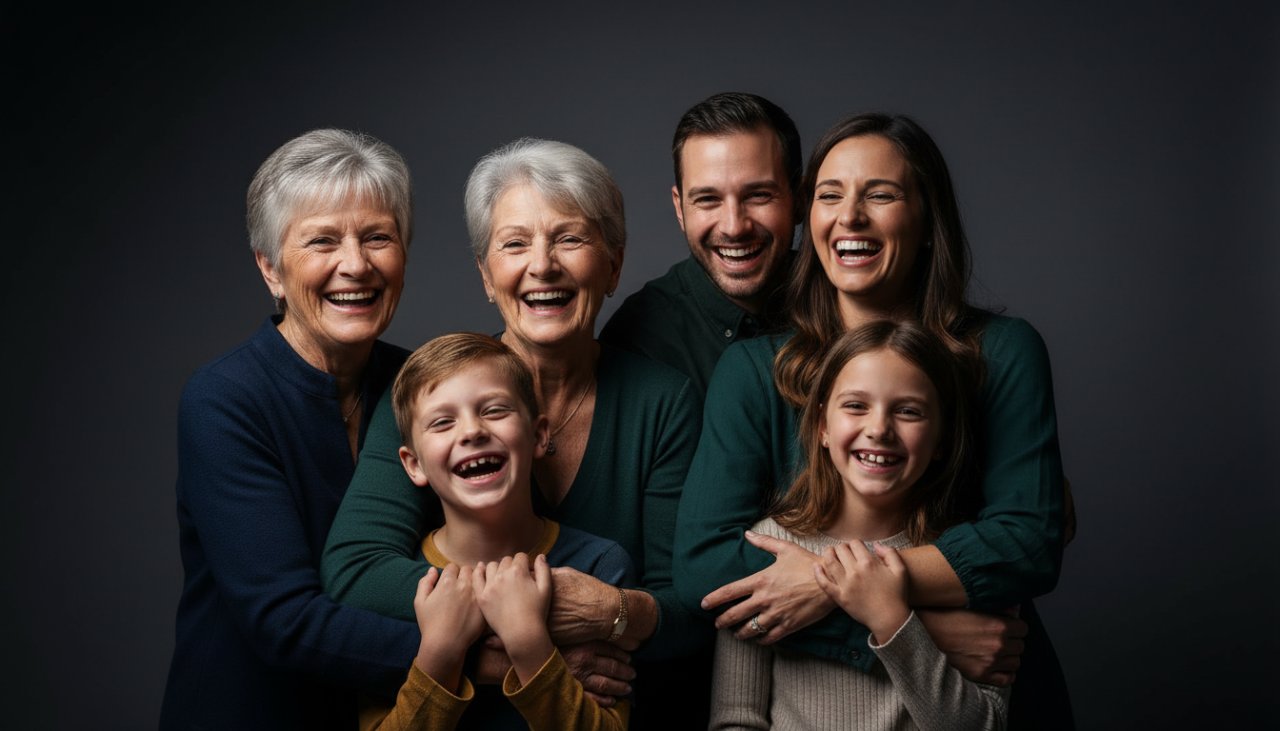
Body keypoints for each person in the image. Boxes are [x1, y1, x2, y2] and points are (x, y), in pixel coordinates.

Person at [675, 112, 1074, 727]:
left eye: (880, 195)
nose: (850, 216)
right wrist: (911, 627)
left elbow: (1026, 541)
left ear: (926, 223)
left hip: (985, 693)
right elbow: (706, 565)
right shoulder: (754, 369)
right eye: (830, 195)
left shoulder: (1001, 352)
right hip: (923, 659)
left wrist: (822, 584)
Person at [321, 138, 707, 725]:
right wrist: (524, 631)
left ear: (614, 265)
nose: (542, 265)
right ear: (485, 273)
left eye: (570, 238)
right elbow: (356, 573)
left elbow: (688, 605)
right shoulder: (428, 391)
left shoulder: (662, 401)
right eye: (514, 243)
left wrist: (613, 614)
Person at [160, 129, 421, 729]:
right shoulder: (224, 399)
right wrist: (488, 656)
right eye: (321, 241)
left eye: (377, 237)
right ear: (270, 268)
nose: (354, 264)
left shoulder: (422, 384)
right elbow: (285, 620)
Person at [710, 321, 1008, 730]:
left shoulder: (968, 561)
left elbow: (984, 726)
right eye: (855, 406)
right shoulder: (767, 547)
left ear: (941, 439)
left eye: (908, 411)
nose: (879, 429)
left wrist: (891, 618)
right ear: (823, 428)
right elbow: (735, 719)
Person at [366, 333, 632, 730]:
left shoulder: (599, 567)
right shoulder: (393, 589)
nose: (472, 431)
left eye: (494, 410)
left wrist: (528, 642)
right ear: (413, 465)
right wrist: (440, 654)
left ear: (539, 435)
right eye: (442, 422)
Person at [599, 91, 800, 392]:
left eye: (758, 195)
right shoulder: (636, 341)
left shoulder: (844, 301)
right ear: (680, 209)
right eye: (708, 199)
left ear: (800, 200)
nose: (734, 227)